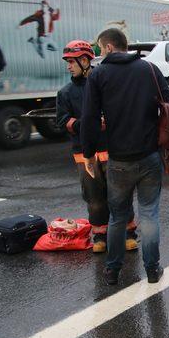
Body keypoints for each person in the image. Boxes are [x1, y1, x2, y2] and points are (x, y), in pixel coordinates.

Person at [81, 28, 169, 285]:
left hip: (119, 160)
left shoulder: (99, 74)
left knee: (118, 217)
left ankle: (113, 270)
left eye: (101, 49)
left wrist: (88, 153)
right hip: (149, 156)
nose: (100, 53)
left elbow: (89, 118)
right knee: (149, 215)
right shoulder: (149, 69)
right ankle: (153, 270)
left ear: (109, 47)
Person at [56, 39, 138, 254]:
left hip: (112, 151)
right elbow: (62, 120)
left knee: (120, 195)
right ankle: (100, 236)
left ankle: (129, 233)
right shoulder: (65, 93)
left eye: (71, 62)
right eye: (67, 62)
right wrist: (84, 124)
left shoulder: (105, 82)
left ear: (85, 60)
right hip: (84, 155)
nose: (68, 66)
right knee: (95, 199)